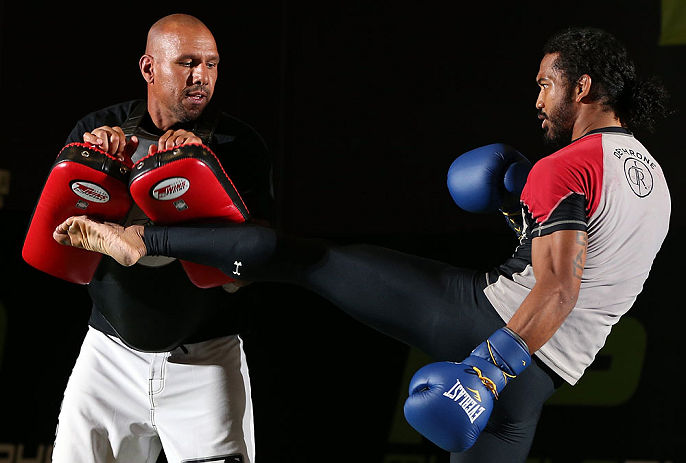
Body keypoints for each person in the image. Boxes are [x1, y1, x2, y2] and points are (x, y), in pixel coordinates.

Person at [54, 27, 670, 462]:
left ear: (581, 87)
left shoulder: (564, 166)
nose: (537, 100)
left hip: (494, 331)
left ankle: (140, 238)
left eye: (545, 85)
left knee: (310, 260)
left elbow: (558, 288)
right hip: (546, 378)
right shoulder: (654, 179)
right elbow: (593, 270)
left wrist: (486, 370)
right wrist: (517, 211)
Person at [48, 14, 273, 463]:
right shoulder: (100, 129)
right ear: (149, 68)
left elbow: (252, 266)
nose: (201, 77)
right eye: (187, 63)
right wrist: (94, 167)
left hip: (205, 357)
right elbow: (55, 241)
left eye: (211, 64)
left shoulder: (239, 144)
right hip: (109, 352)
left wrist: (203, 173)